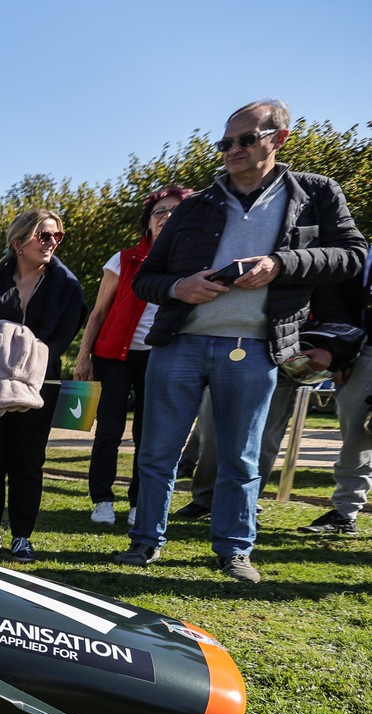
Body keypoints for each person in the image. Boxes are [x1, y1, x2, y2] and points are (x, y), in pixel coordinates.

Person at [116, 98, 367, 582]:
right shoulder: (195, 205)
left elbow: (351, 255)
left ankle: (234, 551)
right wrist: (178, 287)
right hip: (180, 344)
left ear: (280, 138)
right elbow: (146, 279)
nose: (232, 149)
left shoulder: (316, 193)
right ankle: (144, 542)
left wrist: (281, 264)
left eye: (246, 139)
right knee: (157, 454)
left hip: (256, 348)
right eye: (225, 142)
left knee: (242, 457)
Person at [0, 209, 85, 562]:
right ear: (19, 242)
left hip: (39, 384)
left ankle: (22, 536)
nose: (52, 242)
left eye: (57, 235)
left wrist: (31, 361)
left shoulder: (67, 287)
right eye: (44, 235)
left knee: (28, 460)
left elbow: (62, 337)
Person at [72, 187, 193, 527]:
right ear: (148, 221)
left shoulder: (192, 263)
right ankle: (102, 499)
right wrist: (83, 356)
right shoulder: (124, 259)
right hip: (113, 355)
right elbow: (98, 312)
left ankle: (139, 502)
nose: (166, 217)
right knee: (109, 428)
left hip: (160, 356)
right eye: (160, 212)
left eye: (175, 211)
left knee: (148, 432)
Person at [296, 264, 372, 535]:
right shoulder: (361, 253)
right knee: (357, 436)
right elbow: (342, 307)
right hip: (364, 351)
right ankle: (345, 514)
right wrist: (342, 355)